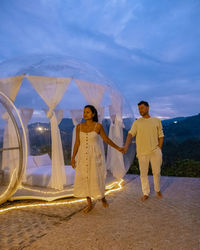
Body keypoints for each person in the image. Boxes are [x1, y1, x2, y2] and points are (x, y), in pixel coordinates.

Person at [71, 105, 124, 213]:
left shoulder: (98, 126)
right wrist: (73, 158)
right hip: (82, 156)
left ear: (93, 114)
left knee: (97, 177)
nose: (85, 114)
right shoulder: (79, 127)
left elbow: (106, 140)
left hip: (95, 156)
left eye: (88, 112)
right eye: (84, 112)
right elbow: (77, 143)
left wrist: (118, 148)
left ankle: (102, 197)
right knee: (84, 178)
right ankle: (89, 204)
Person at [124, 101, 164, 201]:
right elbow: (130, 134)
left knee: (157, 172)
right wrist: (126, 146)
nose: (140, 110)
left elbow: (161, 136)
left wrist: (159, 148)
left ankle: (157, 189)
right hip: (142, 153)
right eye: (139, 109)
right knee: (143, 174)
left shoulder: (156, 120)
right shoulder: (137, 122)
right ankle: (146, 193)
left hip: (155, 151)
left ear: (147, 108)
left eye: (142, 108)